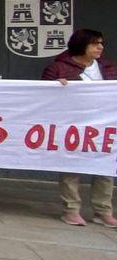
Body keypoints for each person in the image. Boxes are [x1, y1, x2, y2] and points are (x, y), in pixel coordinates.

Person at [43, 28, 117, 227]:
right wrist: (55, 87)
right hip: (73, 124)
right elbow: (43, 97)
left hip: (103, 124)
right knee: (71, 165)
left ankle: (103, 210)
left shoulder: (108, 67)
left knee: (105, 166)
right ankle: (71, 209)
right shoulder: (58, 68)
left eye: (101, 43)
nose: (100, 47)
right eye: (95, 44)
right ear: (81, 45)